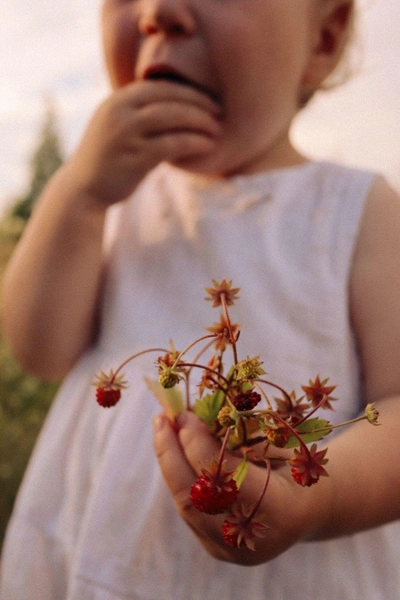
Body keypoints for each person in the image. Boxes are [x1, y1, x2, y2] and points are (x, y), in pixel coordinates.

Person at [1, 0, 400, 598]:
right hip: (92, 563)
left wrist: (321, 501)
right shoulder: (114, 203)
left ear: (323, 38)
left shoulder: (356, 212)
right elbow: (41, 349)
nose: (158, 11)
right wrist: (78, 194)